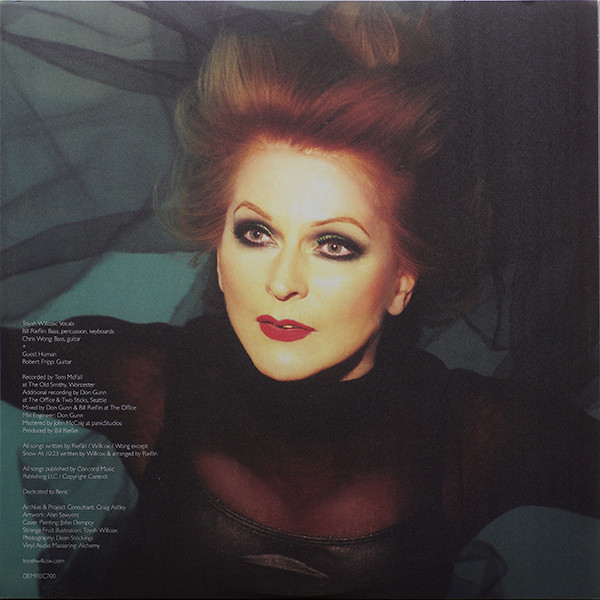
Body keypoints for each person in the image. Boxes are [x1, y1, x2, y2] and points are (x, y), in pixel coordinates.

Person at [2, 3, 598, 598]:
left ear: (402, 279)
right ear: (218, 248)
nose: (283, 281)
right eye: (256, 233)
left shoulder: (476, 436)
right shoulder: (147, 380)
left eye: (334, 245)